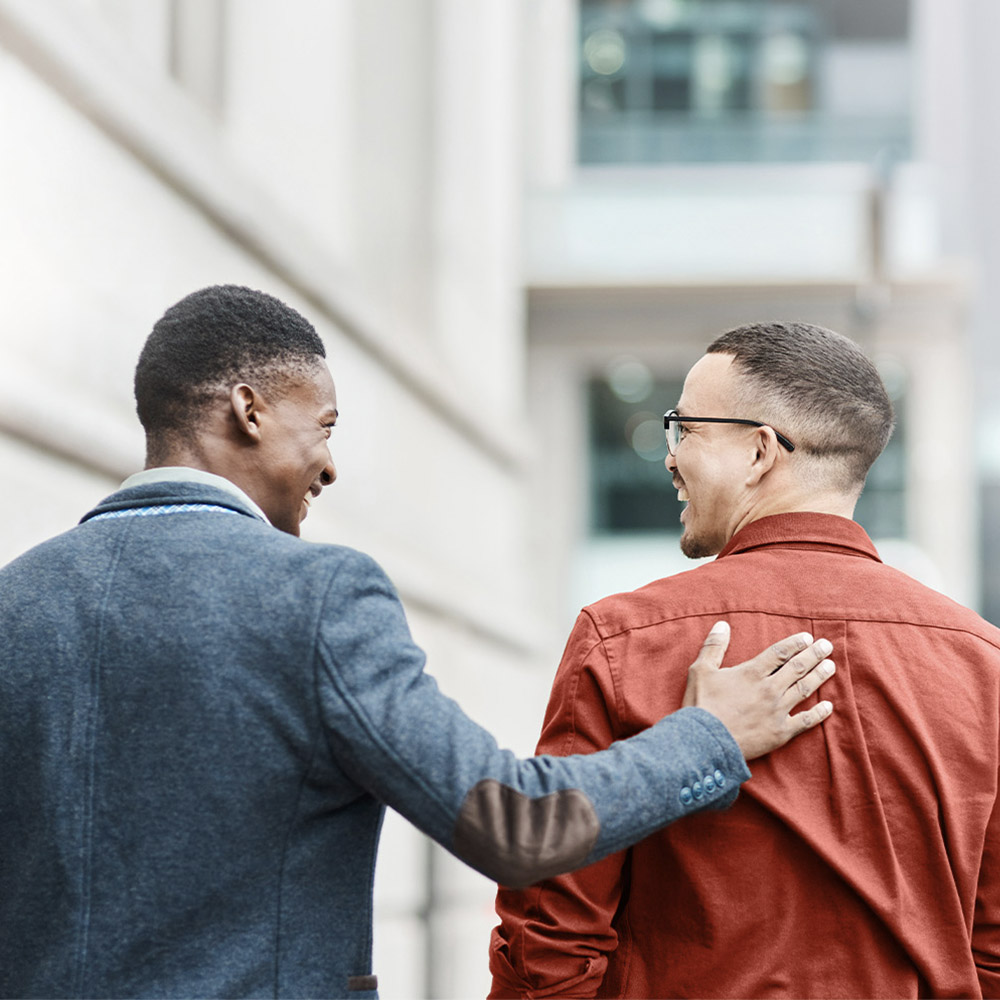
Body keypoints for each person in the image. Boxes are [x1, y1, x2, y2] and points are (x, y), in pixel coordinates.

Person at [0, 288, 835, 1000]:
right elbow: (515, 823)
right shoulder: (316, 597)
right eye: (321, 427)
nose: (329, 468)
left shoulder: (16, 601)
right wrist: (709, 736)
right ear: (247, 411)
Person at [489, 321, 1000, 999]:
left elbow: (550, 933)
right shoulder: (982, 664)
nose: (669, 457)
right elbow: (990, 947)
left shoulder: (626, 638)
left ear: (761, 451)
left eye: (686, 430)